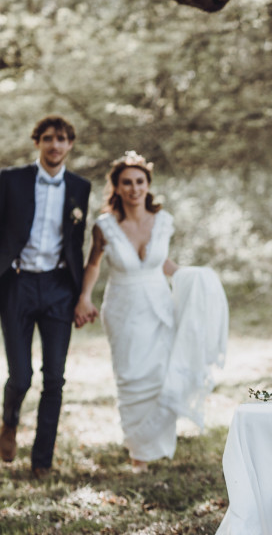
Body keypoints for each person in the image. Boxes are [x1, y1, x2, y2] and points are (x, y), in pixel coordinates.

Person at [74, 151, 228, 471]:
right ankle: (138, 452)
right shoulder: (104, 226)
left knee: (162, 372)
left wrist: (194, 278)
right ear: (116, 187)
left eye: (139, 182)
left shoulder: (164, 221)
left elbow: (162, 264)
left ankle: (158, 445)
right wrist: (84, 298)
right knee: (132, 377)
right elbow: (93, 265)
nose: (134, 188)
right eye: (126, 183)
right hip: (123, 308)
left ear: (148, 185)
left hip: (159, 306)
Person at [0, 115, 92, 479]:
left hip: (58, 288)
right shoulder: (11, 180)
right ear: (37, 141)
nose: (56, 145)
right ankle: (9, 424)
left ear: (71, 144)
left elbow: (77, 245)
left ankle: (42, 461)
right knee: (21, 376)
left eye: (63, 139)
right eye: (49, 138)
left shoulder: (80, 187)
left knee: (54, 377)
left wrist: (82, 294)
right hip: (16, 285)